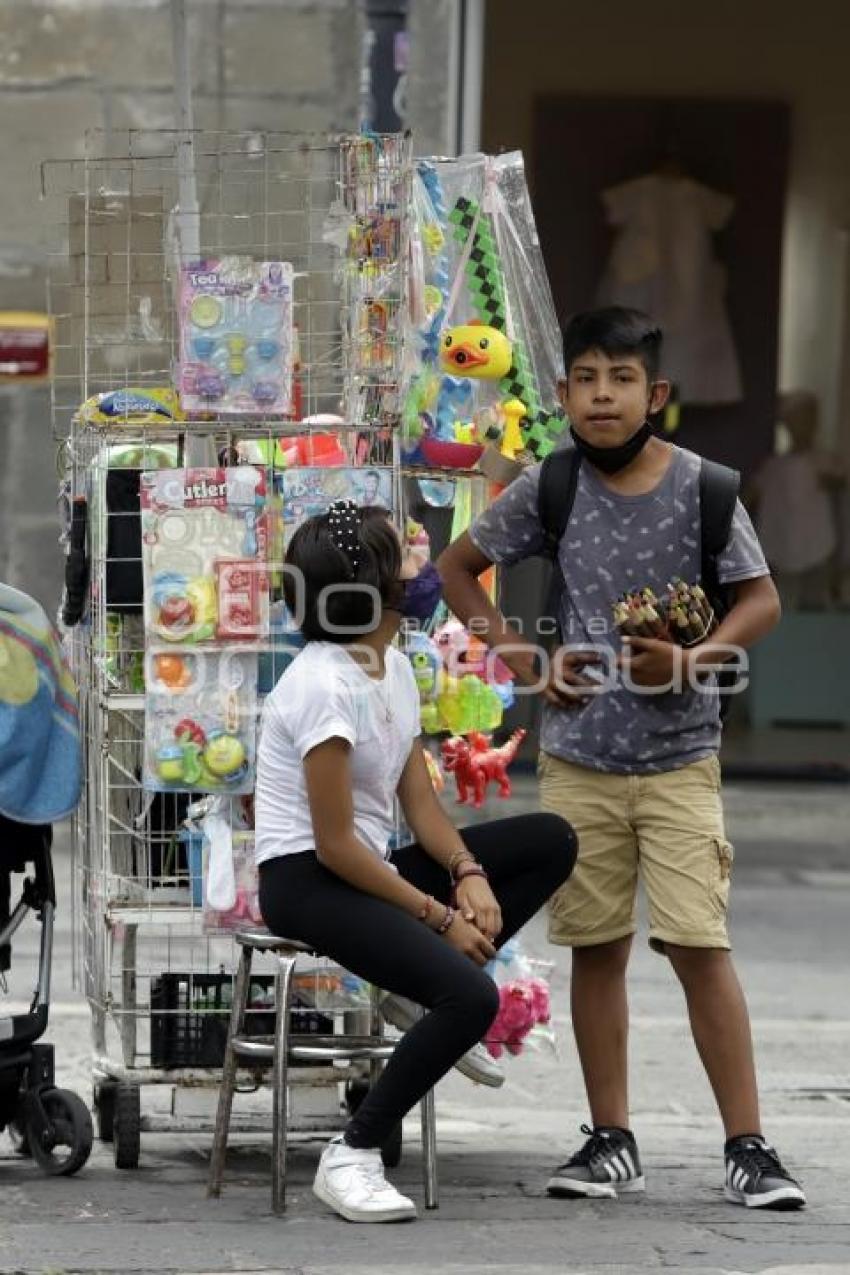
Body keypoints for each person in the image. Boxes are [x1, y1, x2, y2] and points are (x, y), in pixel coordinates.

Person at [437, 307, 806, 1210]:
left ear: (658, 394)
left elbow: (760, 601)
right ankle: (610, 1140)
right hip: (579, 762)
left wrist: (693, 657)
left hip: (682, 758)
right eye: (587, 380)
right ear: (562, 396)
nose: (603, 396)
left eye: (622, 379)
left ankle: (749, 1147)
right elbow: (456, 567)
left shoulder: (707, 489)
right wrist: (521, 660)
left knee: (697, 944)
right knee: (595, 947)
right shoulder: (549, 486)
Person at [254, 500, 577, 1224]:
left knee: (551, 838)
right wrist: (436, 919)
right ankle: (352, 1154)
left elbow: (421, 806)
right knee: (473, 998)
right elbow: (333, 844)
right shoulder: (324, 685)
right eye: (403, 557)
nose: (421, 566)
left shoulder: (391, 666)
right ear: (368, 587)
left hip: (366, 868)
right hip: (306, 880)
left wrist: (466, 871)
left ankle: (415, 981)